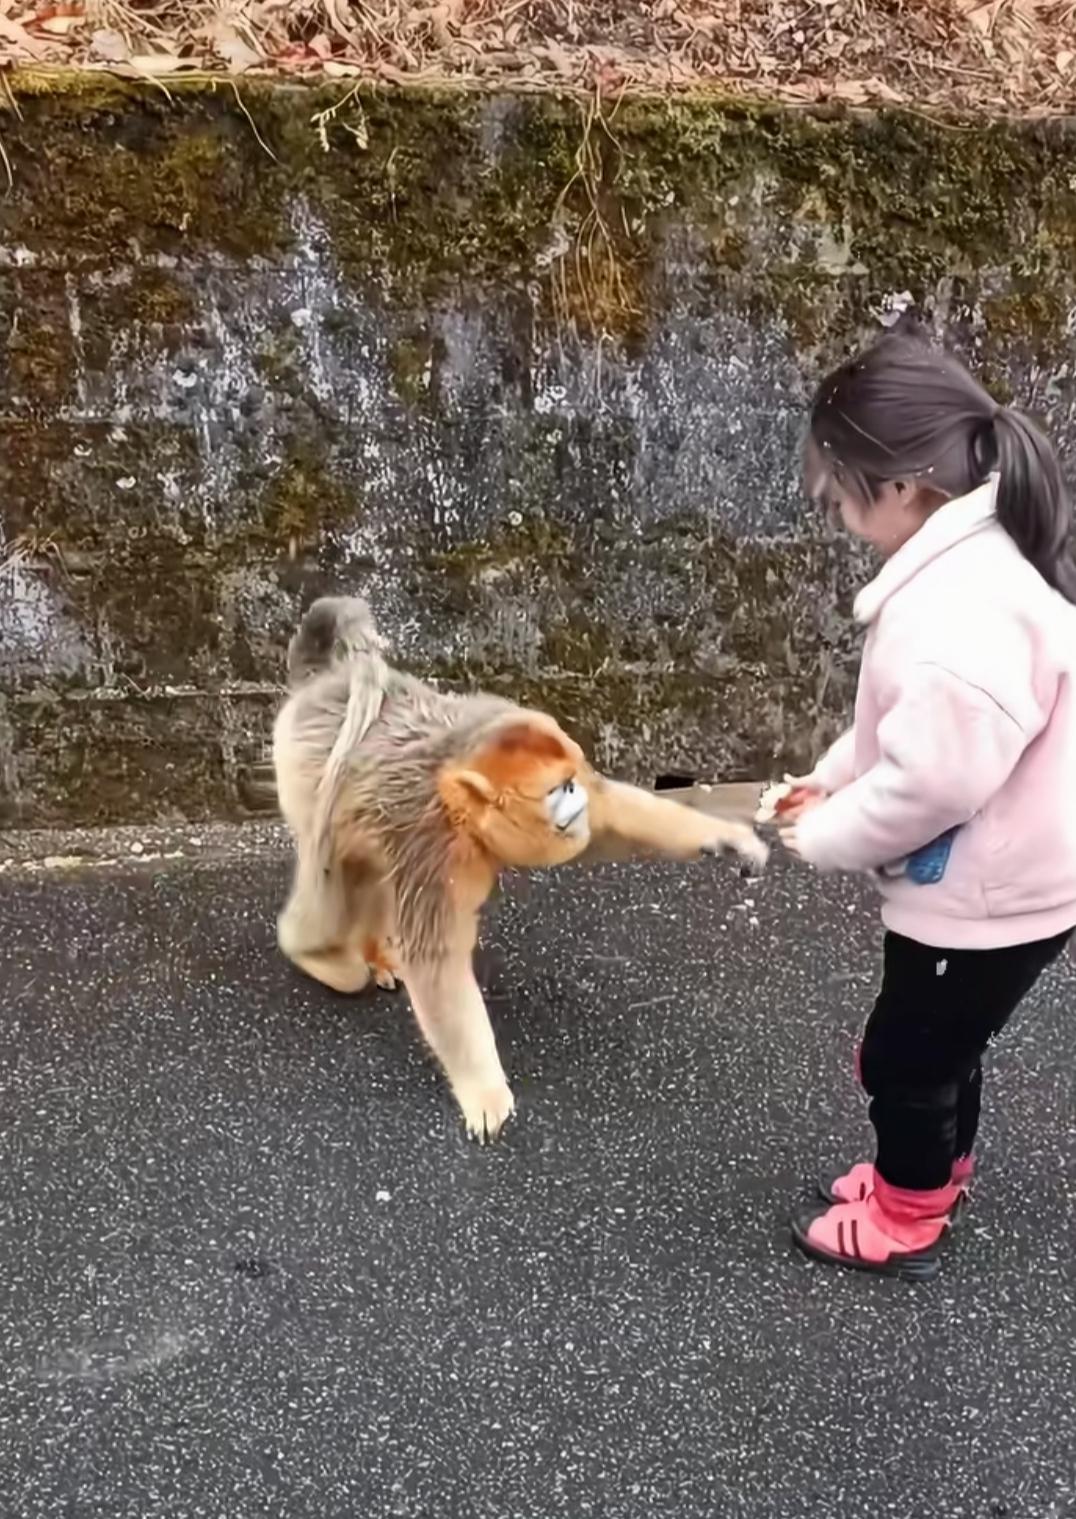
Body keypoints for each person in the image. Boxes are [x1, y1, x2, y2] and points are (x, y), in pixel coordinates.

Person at [780, 329, 1076, 1280]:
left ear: (902, 484)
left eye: (841, 494)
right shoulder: (985, 550)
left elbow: (934, 780)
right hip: (1020, 871)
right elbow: (910, 733)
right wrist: (834, 773)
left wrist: (825, 833)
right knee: (948, 1042)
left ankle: (909, 1211)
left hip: (988, 894)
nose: (836, 513)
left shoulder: (951, 614)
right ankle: (937, 1169)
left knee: (903, 1058)